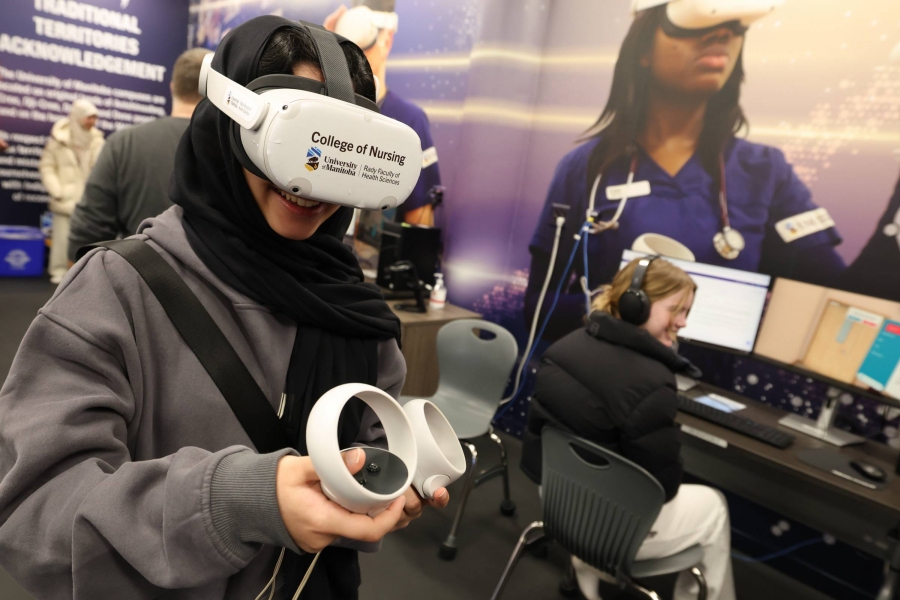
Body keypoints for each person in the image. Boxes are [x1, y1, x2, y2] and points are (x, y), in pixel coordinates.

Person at [0, 17, 448, 600]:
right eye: (292, 140)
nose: (309, 186)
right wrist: (232, 503)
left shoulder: (355, 312)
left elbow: (361, 449)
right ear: (227, 124)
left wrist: (384, 481)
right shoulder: (117, 290)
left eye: (339, 153)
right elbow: (34, 516)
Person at [525, 0, 845, 342]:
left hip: (706, 387)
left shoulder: (765, 172)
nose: (722, 33)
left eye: (735, 26)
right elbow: (538, 308)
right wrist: (619, 307)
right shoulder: (588, 168)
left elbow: (836, 297)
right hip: (607, 382)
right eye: (698, 22)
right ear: (643, 48)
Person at [521, 256, 734, 600]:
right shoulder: (652, 381)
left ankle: (586, 576)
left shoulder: (564, 348)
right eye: (675, 310)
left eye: (687, 312)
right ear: (636, 305)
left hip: (559, 507)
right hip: (611, 531)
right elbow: (664, 486)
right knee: (715, 506)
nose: (681, 322)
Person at [67, 48, 212, 264]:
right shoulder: (238, 152)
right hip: (219, 291)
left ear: (173, 87)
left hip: (138, 280)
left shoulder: (123, 143)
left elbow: (89, 229)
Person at [325, 0, 442, 226]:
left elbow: (420, 225)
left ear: (386, 40)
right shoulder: (328, 110)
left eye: (364, 42)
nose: (355, 57)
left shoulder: (409, 121)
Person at [38, 99, 104, 283]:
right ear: (78, 117)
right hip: (65, 198)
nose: (92, 121)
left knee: (88, 236)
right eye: (89, 117)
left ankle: (84, 270)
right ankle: (59, 269)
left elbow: (103, 167)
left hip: (89, 197)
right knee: (61, 236)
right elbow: (47, 166)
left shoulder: (97, 140)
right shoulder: (59, 140)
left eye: (94, 117)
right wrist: (57, 190)